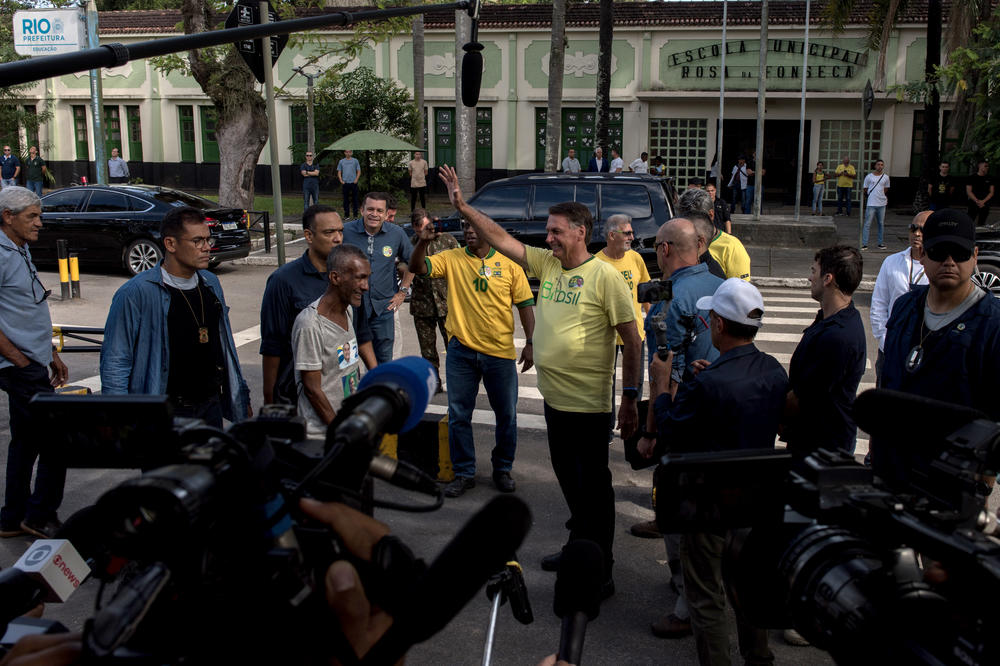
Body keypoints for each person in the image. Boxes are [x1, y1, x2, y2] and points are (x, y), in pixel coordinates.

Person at [438, 164, 639, 599]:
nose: (547, 238)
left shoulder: (605, 277)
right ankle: (578, 549)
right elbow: (499, 237)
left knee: (595, 491)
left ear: (581, 232)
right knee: (571, 485)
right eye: (548, 232)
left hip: (589, 406)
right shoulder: (548, 265)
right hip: (555, 401)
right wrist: (461, 207)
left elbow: (633, 340)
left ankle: (598, 568)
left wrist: (630, 397)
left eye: (555, 231)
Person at [642, 278, 788, 666]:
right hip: (757, 502)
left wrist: (661, 384)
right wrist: (697, 378)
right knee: (750, 585)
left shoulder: (707, 384)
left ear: (720, 325)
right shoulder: (773, 371)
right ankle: (758, 657)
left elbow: (670, 430)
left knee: (706, 594)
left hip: (708, 504)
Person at [633, 217, 723, 639]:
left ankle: (688, 600)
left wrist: (650, 429)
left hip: (684, 413)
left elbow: (663, 372)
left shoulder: (670, 300)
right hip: (723, 409)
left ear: (665, 250)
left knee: (677, 507)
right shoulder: (719, 283)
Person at [410, 217, 535, 498]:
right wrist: (423, 242)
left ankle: (502, 468)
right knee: (459, 416)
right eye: (465, 227)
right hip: (461, 352)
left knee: (507, 416)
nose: (468, 231)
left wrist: (530, 343)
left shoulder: (510, 266)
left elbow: (526, 305)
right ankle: (464, 472)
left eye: (474, 227)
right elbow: (418, 268)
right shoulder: (451, 258)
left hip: (499, 354)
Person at [100, 206, 251, 428]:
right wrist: (120, 417)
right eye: (197, 241)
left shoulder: (211, 283)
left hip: (209, 407)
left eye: (208, 240)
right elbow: (116, 359)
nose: (207, 248)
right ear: (170, 244)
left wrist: (242, 395)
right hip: (163, 412)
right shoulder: (136, 292)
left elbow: (224, 346)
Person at [879, 209, 1000, 484]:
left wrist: (982, 487)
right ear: (922, 255)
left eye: (959, 253)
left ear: (975, 255)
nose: (949, 261)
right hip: (890, 475)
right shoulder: (905, 307)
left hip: (951, 484)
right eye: (939, 251)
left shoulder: (992, 323)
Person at [0, 187, 67, 539]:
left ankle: (12, 518)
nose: (40, 223)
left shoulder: (18, 248)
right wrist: (20, 359)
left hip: (31, 360)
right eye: (32, 217)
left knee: (25, 441)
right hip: (19, 367)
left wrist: (50, 354)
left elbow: (31, 307)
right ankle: (39, 515)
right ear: (8, 217)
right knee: (58, 438)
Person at [259, 205, 375, 404]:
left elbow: (362, 333)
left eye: (340, 231)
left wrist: (378, 376)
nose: (338, 238)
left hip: (345, 391)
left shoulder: (352, 277)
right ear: (309, 235)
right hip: (303, 398)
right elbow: (272, 348)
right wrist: (270, 401)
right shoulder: (283, 281)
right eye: (329, 232)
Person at [783, 246, 867, 457]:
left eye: (814, 271)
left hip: (821, 448)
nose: (810, 278)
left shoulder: (838, 336)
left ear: (828, 278)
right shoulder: (833, 319)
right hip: (815, 440)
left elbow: (801, 398)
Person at [291, 245, 374, 439]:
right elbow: (312, 390)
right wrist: (340, 432)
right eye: (360, 278)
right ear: (335, 278)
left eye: (367, 278)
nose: (366, 286)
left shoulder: (348, 311)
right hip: (323, 437)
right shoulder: (309, 325)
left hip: (349, 427)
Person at [595, 214, 651, 440]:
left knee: (635, 384)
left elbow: (645, 290)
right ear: (612, 235)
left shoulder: (635, 259)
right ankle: (606, 428)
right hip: (606, 335)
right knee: (605, 382)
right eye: (627, 233)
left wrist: (653, 316)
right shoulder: (597, 263)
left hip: (635, 333)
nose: (632, 237)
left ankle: (632, 426)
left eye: (631, 232)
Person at [342, 191, 414, 365]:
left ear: (386, 213)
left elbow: (413, 262)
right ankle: (352, 392)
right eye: (370, 209)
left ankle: (380, 391)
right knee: (347, 360)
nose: (374, 214)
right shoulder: (345, 232)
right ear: (362, 210)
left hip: (383, 308)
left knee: (383, 360)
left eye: (380, 211)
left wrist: (402, 292)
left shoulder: (396, 234)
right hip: (351, 309)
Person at [870, 210, 930, 386]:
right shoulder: (892, 262)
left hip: (922, 350)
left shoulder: (937, 268)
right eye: (913, 228)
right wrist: (884, 338)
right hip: (890, 347)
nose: (916, 234)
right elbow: (879, 302)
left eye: (922, 230)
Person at [407, 209, 458, 390]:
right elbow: (405, 268)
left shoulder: (447, 240)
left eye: (427, 226)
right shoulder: (411, 245)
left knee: (453, 346)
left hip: (447, 303)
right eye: (420, 227)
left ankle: (456, 380)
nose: (424, 230)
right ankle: (433, 381)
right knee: (427, 349)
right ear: (414, 227)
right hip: (423, 304)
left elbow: (461, 266)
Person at [678, 188, 750, 281]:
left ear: (711, 215)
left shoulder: (731, 246)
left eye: (694, 220)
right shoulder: (675, 243)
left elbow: (739, 292)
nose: (688, 226)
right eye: (684, 220)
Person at [862, 159, 890, 250]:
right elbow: (865, 189)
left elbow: (886, 189)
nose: (880, 166)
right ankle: (864, 243)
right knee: (867, 224)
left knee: (881, 224)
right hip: (871, 203)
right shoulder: (869, 177)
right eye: (878, 164)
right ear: (875, 166)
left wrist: (881, 196)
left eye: (882, 164)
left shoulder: (886, 177)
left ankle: (880, 243)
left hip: (882, 204)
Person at [966, 160, 993, 226]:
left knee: (981, 223)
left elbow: (991, 192)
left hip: (985, 203)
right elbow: (969, 191)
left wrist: (983, 201)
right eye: (985, 166)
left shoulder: (990, 178)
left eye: (988, 166)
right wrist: (977, 201)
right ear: (980, 166)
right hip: (973, 202)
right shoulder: (971, 177)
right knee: (969, 221)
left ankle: (980, 236)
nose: (987, 168)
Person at [337, 149, 362, 219]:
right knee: (345, 200)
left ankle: (355, 215)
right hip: (345, 183)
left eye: (350, 152)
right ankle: (346, 215)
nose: (348, 153)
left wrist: (356, 179)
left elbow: (359, 171)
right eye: (346, 152)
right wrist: (341, 180)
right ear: (344, 153)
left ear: (352, 153)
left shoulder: (355, 161)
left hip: (353, 183)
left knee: (355, 199)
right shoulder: (341, 161)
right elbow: (339, 171)